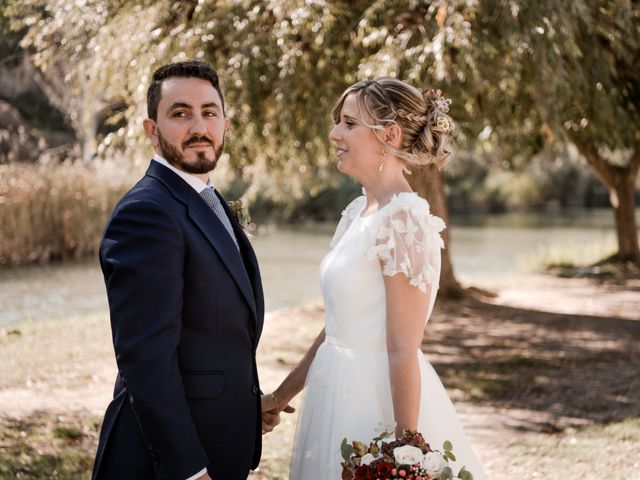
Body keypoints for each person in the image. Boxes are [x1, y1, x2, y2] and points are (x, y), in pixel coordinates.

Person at [262, 78, 487, 479]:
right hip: (333, 389)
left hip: (375, 400)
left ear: (389, 135)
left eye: (349, 124)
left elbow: (404, 346)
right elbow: (336, 326)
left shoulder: (403, 221)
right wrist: (280, 396)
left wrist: (405, 453)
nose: (334, 134)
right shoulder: (357, 213)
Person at [92, 60, 286, 480]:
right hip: (166, 462)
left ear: (225, 124)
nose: (198, 126)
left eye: (209, 113)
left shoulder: (207, 201)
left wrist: (247, 406)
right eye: (180, 113)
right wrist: (189, 470)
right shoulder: (147, 213)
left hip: (220, 441)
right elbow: (146, 360)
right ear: (151, 130)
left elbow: (210, 336)